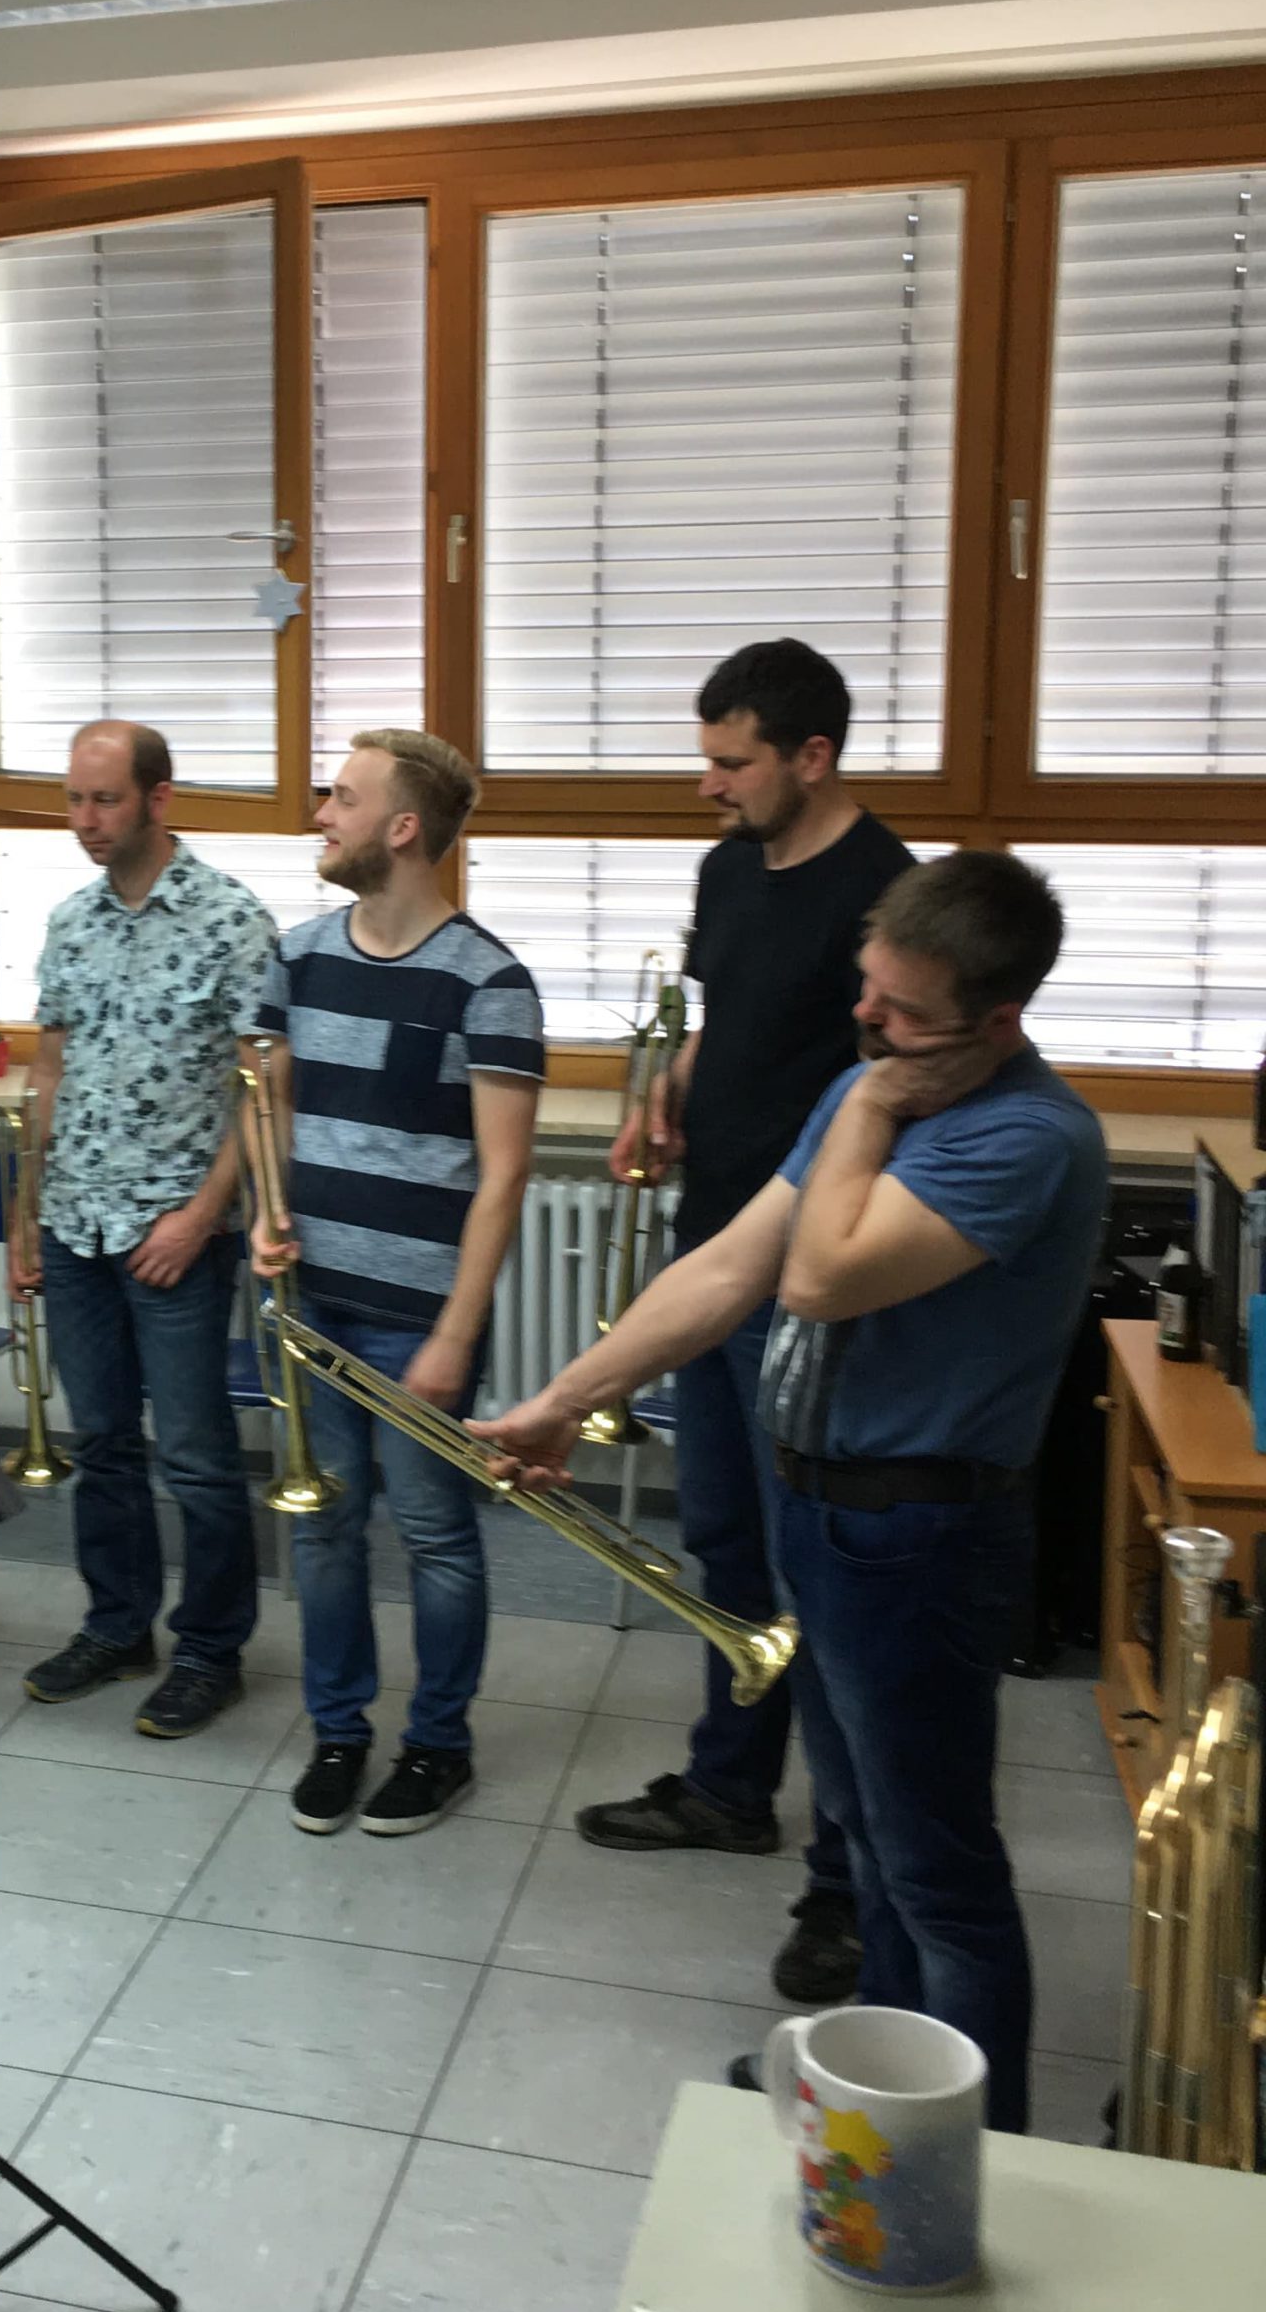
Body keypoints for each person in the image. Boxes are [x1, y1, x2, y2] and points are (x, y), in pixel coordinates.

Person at [477, 853, 1106, 2134]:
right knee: (866, 1837)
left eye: (902, 1010)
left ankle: (973, 2155)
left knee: (938, 1869)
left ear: (997, 1020)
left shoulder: (1026, 1135)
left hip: (919, 1536)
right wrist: (563, 1401)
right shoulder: (876, 1081)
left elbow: (817, 1276)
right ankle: (881, 2095)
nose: (865, 1018)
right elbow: (729, 1269)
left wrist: (867, 1105)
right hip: (818, 1513)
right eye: (867, 988)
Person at [575, 638, 914, 2008]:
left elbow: (891, 1085)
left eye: (732, 762)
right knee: (722, 1544)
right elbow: (732, 1021)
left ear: (811, 758)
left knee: (809, 1573)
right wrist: (670, 1098)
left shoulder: (888, 892)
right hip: (710, 1239)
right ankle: (729, 1787)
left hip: (805, 1280)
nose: (708, 785)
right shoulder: (730, 868)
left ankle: (844, 1882)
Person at [253, 732, 541, 1837]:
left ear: (403, 828)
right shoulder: (295, 956)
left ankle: (437, 1746)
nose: (321, 815)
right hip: (310, 1304)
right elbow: (268, 1104)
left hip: (421, 1316)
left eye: (341, 797)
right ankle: (339, 1732)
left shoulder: (491, 982)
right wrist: (264, 1214)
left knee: (433, 1534)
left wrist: (457, 1333)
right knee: (323, 1528)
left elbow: (503, 1175)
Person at [16, 720, 278, 1741]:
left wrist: (203, 1216)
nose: (85, 820)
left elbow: (264, 1091)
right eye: (74, 800)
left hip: (176, 1231)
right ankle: (117, 1625)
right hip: (75, 1221)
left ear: (158, 799)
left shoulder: (231, 920)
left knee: (199, 1457)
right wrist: (27, 1211)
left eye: (105, 800)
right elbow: (48, 1072)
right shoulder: (70, 921)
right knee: (104, 1444)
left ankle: (210, 1650)